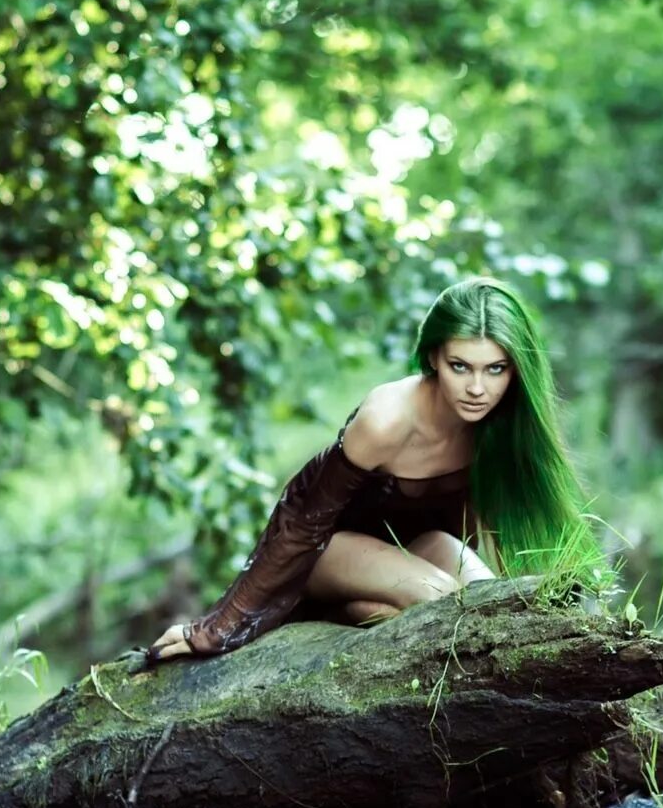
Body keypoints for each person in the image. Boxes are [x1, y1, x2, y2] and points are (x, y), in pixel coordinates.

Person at [144, 276, 599, 665]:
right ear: (435, 358)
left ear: (515, 371)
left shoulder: (498, 426)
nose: (477, 388)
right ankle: (357, 606)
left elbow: (476, 527)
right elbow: (301, 521)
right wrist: (215, 628)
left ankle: (360, 612)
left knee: (489, 598)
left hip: (412, 553)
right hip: (327, 554)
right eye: (461, 367)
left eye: (495, 369)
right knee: (445, 598)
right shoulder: (387, 418)